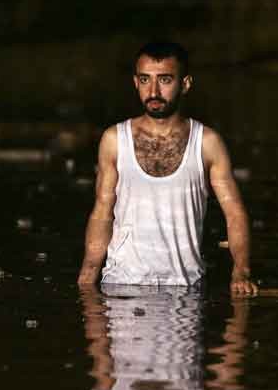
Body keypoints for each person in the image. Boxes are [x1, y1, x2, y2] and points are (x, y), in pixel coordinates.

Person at [77, 41, 258, 296]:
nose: (153, 91)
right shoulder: (114, 140)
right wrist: (88, 276)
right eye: (144, 79)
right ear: (135, 82)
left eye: (164, 80)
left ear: (185, 84)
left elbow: (234, 213)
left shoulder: (207, 143)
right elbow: (102, 212)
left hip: (185, 288)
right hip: (121, 285)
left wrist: (241, 271)